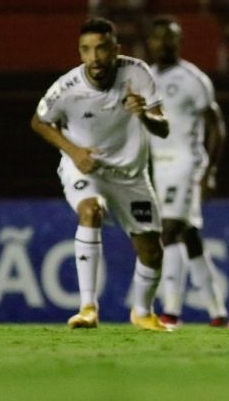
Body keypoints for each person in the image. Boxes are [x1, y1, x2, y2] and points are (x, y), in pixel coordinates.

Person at [30, 17, 171, 332]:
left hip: (131, 175)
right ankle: (88, 308)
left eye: (101, 49)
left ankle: (142, 313)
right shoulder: (67, 88)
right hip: (86, 167)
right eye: (86, 50)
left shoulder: (138, 73)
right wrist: (74, 151)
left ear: (115, 50)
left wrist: (144, 115)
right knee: (90, 210)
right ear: (80, 53)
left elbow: (163, 127)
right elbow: (39, 122)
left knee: (151, 250)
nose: (94, 57)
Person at [145, 17, 229, 329]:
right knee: (189, 237)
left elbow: (216, 126)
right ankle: (218, 313)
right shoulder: (145, 79)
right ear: (149, 42)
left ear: (179, 43)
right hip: (159, 164)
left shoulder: (192, 79)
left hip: (187, 162)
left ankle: (170, 312)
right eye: (158, 38)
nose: (164, 44)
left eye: (170, 38)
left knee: (167, 231)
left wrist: (209, 170)